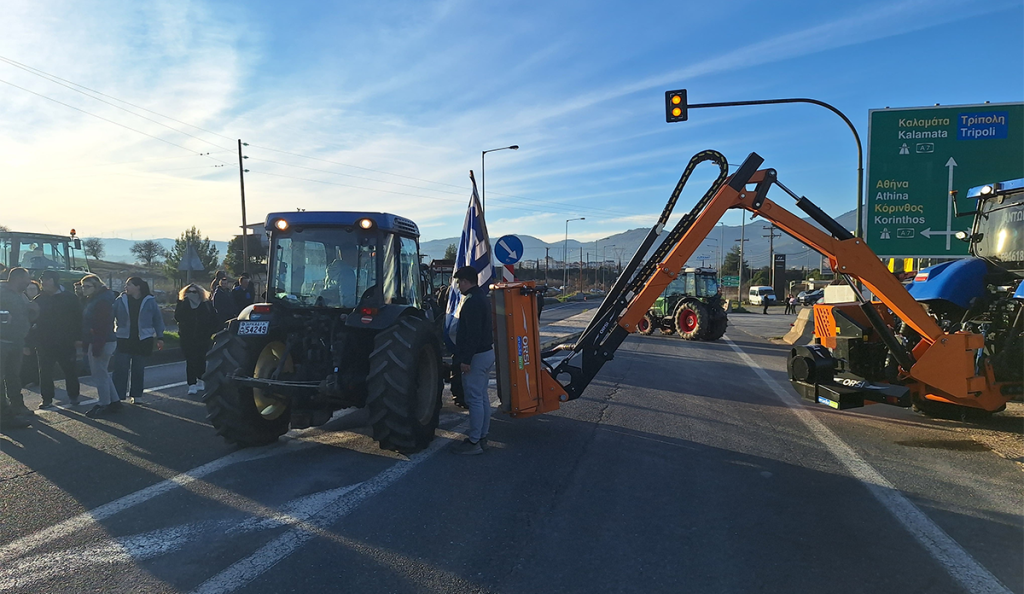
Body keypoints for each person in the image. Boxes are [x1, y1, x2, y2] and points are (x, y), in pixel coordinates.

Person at [449, 266, 495, 456]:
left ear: (466, 281)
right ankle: (482, 435)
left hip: (475, 356)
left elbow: (472, 335)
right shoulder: (481, 297)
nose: (458, 286)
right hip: (486, 353)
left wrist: (465, 359)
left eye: (459, 282)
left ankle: (474, 441)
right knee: (482, 397)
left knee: (475, 399)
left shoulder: (471, 301)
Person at [29, 271, 83, 408]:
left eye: (45, 279)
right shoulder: (39, 299)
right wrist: (33, 341)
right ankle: (47, 399)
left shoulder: (70, 298)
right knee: (45, 372)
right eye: (41, 280)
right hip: (44, 342)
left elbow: (78, 319)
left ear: (53, 280)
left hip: (66, 341)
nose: (43, 282)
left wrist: (78, 338)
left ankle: (74, 396)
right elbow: (32, 320)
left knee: (70, 370)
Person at [112, 277, 164, 405]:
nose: (126, 287)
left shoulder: (150, 301)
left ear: (138, 287)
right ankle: (118, 396)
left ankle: (137, 395)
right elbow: (110, 317)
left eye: (129, 284)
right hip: (124, 339)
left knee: (138, 369)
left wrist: (160, 337)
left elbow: (157, 319)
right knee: (120, 369)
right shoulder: (120, 300)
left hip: (143, 340)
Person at [79, 275, 118, 417]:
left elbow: (101, 325)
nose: (84, 289)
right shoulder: (98, 299)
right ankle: (114, 401)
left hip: (102, 340)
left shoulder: (101, 301)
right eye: (83, 286)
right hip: (102, 340)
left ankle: (104, 403)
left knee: (99, 373)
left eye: (87, 286)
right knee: (102, 372)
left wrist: (96, 346)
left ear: (95, 286)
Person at [0, 268, 35, 428]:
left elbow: (29, 312)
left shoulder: (21, 295)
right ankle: (4, 416)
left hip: (16, 341)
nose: (29, 282)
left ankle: (17, 406)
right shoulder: (2, 292)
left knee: (13, 376)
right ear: (18, 278)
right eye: (27, 278)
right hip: (2, 342)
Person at [175, 284, 217, 395]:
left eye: (194, 292)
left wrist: (209, 332)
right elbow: (177, 317)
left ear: (199, 293)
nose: (191, 294)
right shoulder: (183, 304)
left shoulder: (206, 305)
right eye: (189, 292)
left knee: (201, 359)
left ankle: (200, 379)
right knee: (190, 360)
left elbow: (214, 319)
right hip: (186, 338)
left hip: (202, 338)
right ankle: (191, 384)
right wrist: (182, 304)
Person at [20, 280, 42, 387]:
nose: (31, 291)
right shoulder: (22, 302)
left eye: (34, 289)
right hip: (26, 336)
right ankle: (27, 380)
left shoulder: (42, 302)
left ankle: (37, 380)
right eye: (29, 289)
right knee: (26, 359)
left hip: (40, 336)